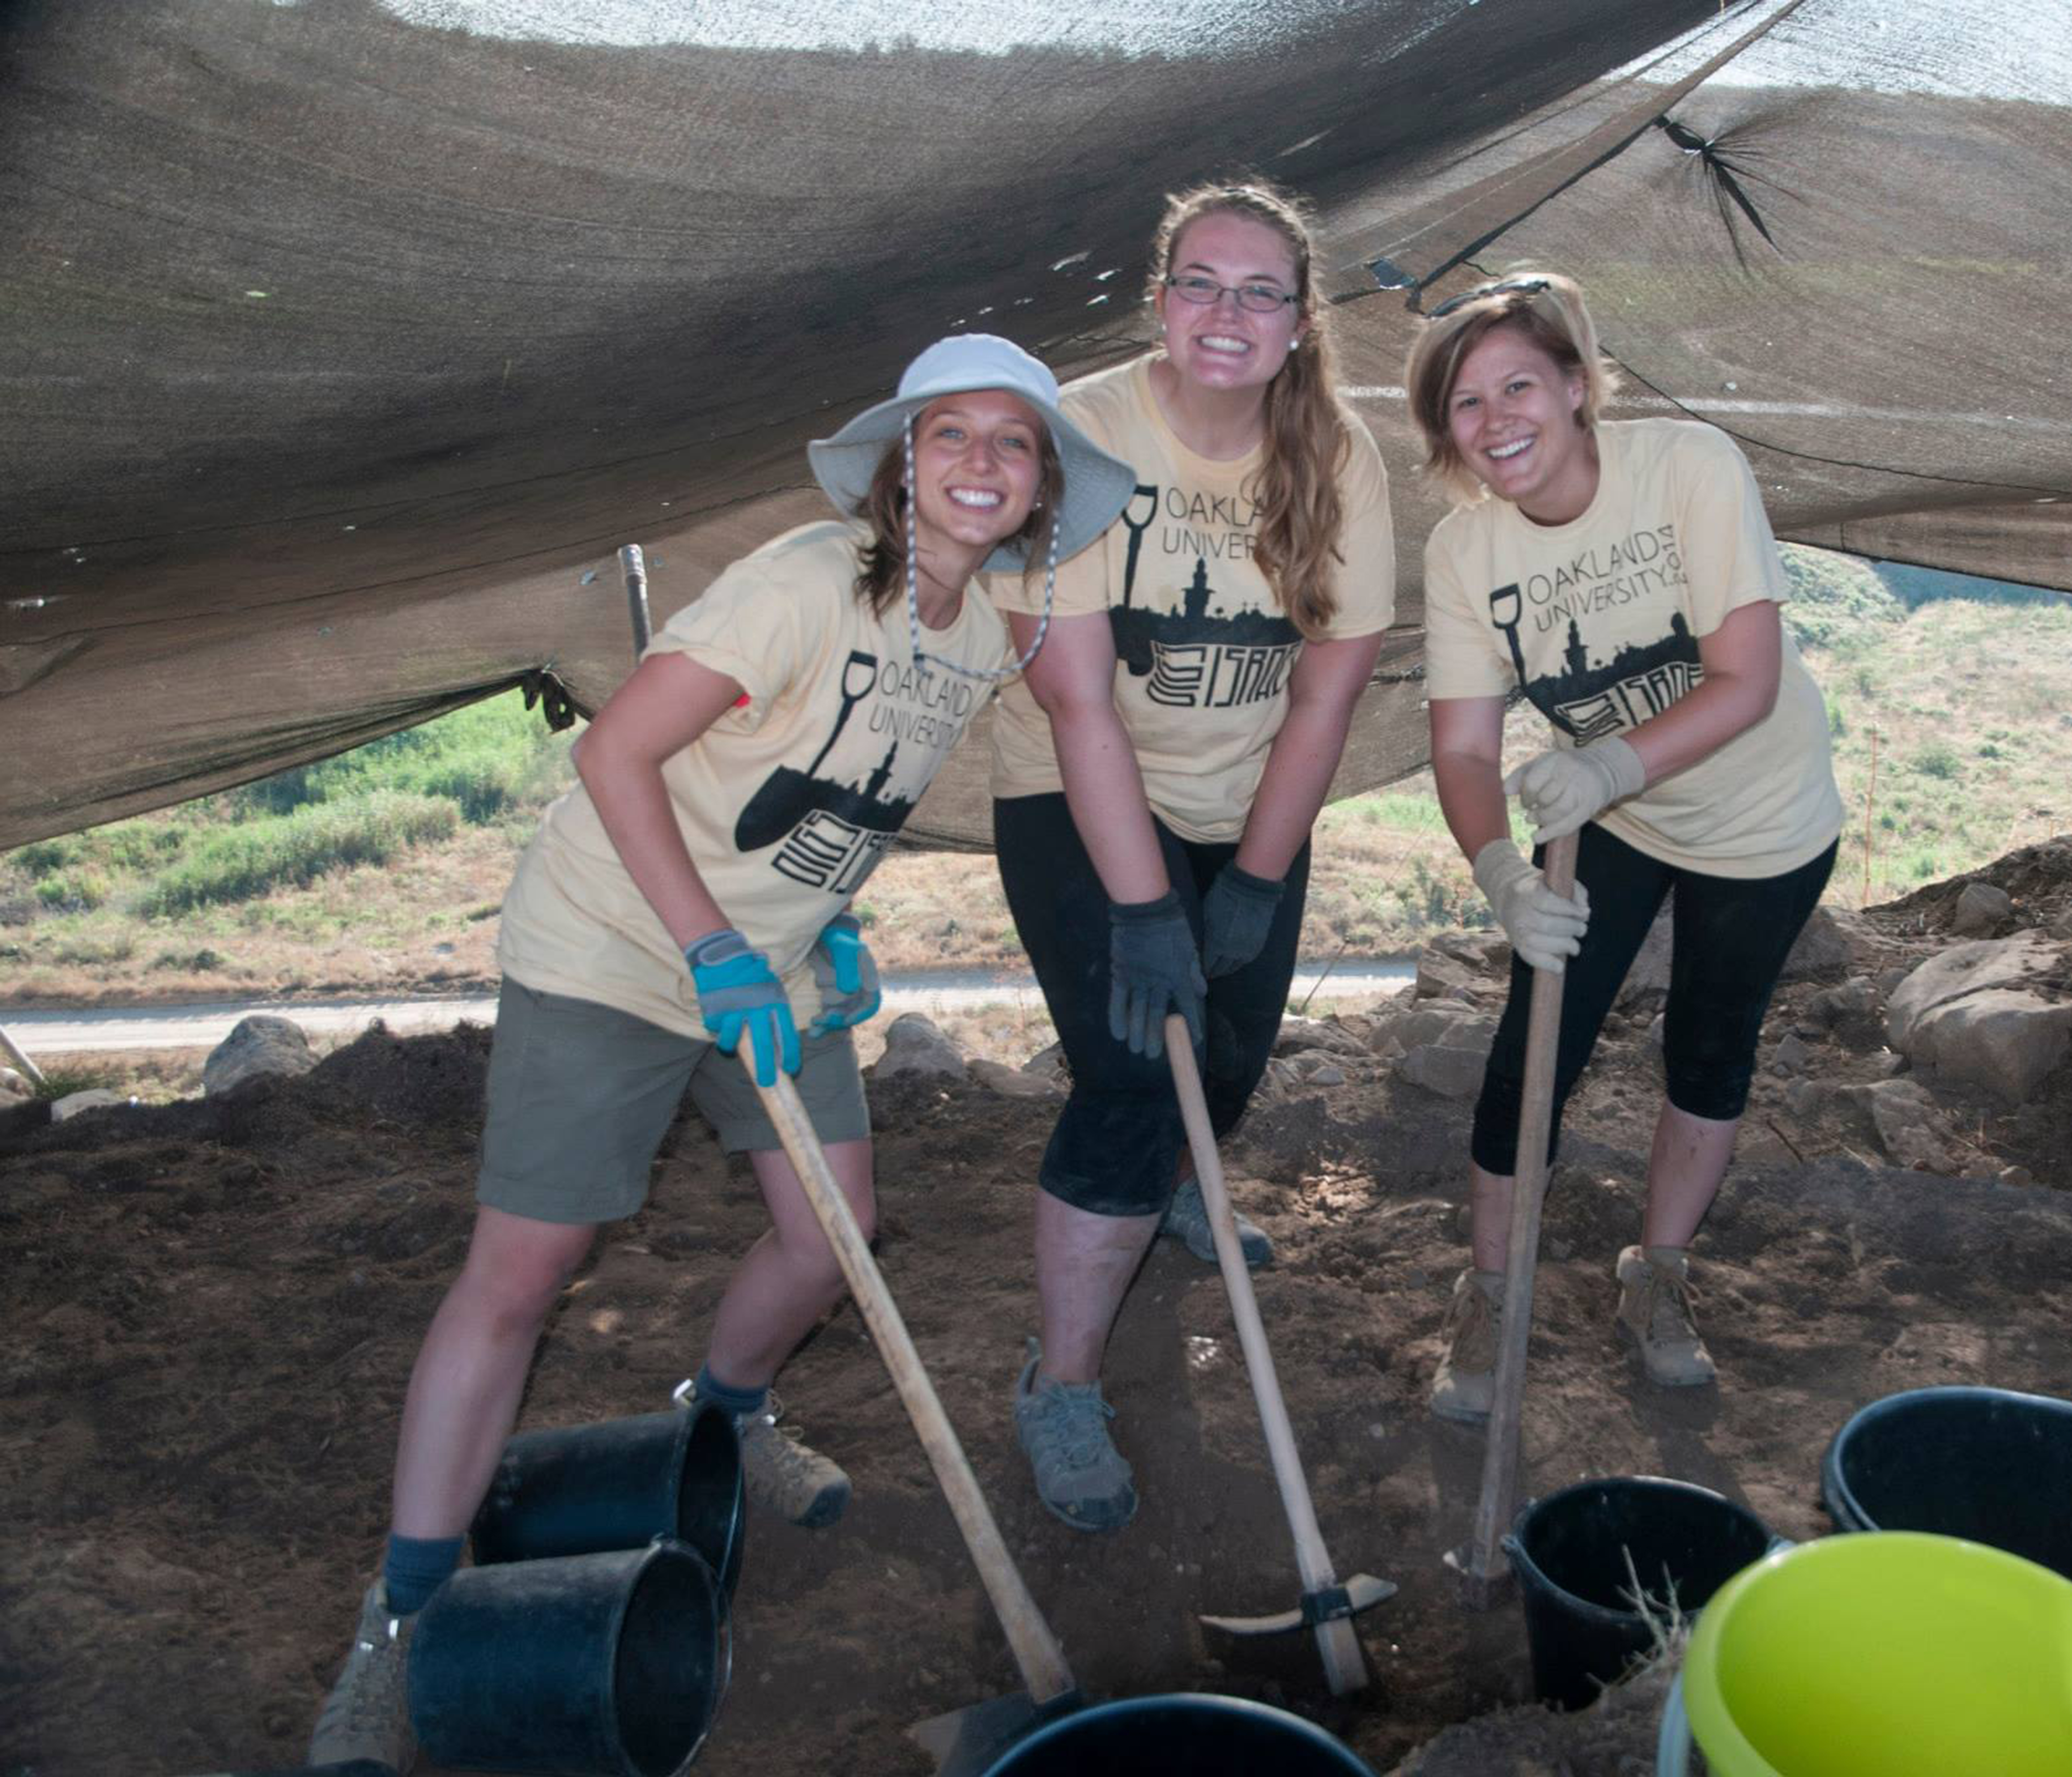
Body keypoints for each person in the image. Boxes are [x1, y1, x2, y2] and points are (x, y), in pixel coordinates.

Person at [304, 334, 1134, 1768]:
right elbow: (613, 756)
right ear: (902, 464)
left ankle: (725, 1415)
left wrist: (824, 928)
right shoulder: (806, 579)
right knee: (524, 1272)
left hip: (771, 967)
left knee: (833, 1236)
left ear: (1043, 485)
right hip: (616, 949)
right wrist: (709, 947)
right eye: (952, 436)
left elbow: (831, 786)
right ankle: (400, 1615)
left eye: (1015, 444)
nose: (982, 465)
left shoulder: (981, 632)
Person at [986, 180, 1394, 1532]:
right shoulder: (1086, 436)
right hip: (1078, 785)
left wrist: (1262, 879)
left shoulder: (1335, 452)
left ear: (1296, 320)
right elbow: (1076, 697)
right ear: (1161, 302)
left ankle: (1171, 1194)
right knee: (1123, 1066)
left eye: (1260, 290)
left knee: (1223, 1057)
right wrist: (1147, 908)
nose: (1228, 313)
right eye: (1201, 285)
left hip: (1245, 792)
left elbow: (1328, 690)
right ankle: (1061, 1378)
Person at [1405, 272, 1842, 1419]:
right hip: (1617, 819)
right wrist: (1498, 869)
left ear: (1579, 387)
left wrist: (1603, 760)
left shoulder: (1688, 468)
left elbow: (1744, 680)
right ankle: (1494, 1295)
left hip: (1763, 821)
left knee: (1709, 1046)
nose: (1495, 419)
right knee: (1532, 1046)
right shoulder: (1465, 552)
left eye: (1518, 385)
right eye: (1464, 403)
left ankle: (1658, 1277)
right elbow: (1461, 748)